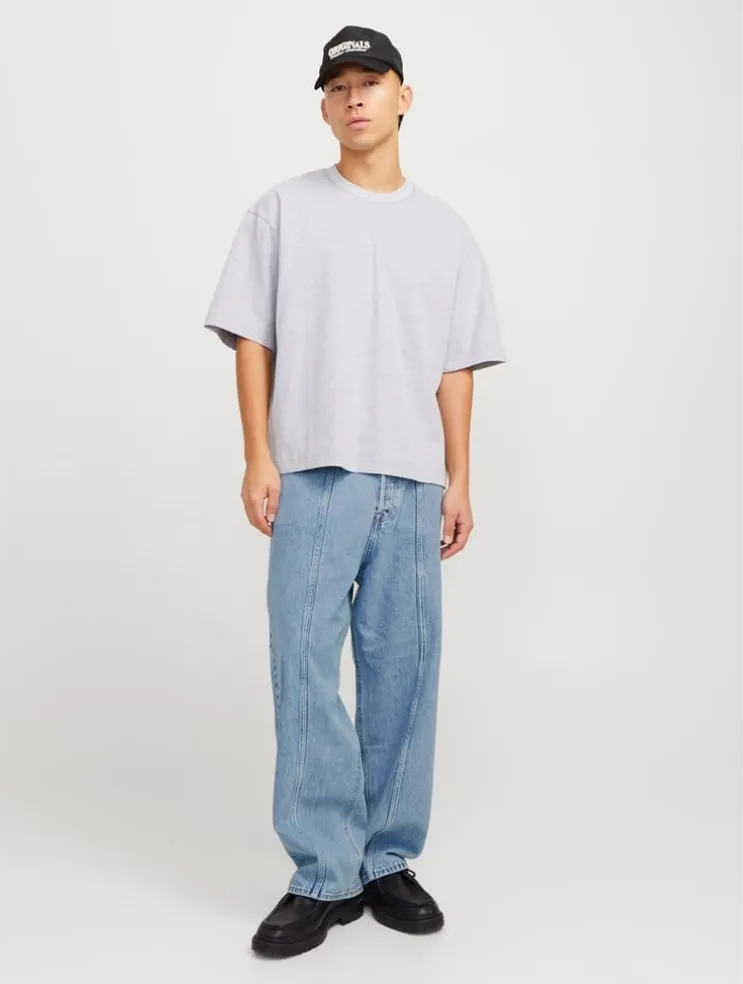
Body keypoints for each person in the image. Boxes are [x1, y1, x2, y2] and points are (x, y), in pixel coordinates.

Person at [203, 24, 507, 958]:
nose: (355, 98)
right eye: (338, 86)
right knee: (303, 665)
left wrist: (459, 476)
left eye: (371, 82)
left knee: (404, 672)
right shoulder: (283, 212)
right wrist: (258, 456)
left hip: (411, 480)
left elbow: (456, 366)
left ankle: (386, 859)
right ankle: (323, 871)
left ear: (403, 98)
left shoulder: (445, 230)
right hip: (314, 470)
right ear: (325, 106)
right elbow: (252, 339)